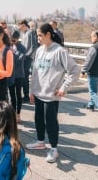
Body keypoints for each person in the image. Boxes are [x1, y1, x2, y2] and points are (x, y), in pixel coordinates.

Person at [26, 23, 80, 163]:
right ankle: (40, 142)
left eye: (39, 35)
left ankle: (54, 149)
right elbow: (35, 73)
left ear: (48, 34)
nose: (37, 38)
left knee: (51, 122)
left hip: (51, 95)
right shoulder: (39, 50)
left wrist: (64, 87)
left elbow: (75, 70)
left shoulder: (59, 51)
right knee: (38, 119)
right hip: (38, 92)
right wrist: (31, 90)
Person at [18, 19, 38, 103]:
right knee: (24, 77)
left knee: (25, 77)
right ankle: (26, 95)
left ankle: (27, 96)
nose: (20, 28)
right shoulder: (24, 33)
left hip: (27, 58)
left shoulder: (30, 32)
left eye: (20, 26)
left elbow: (33, 46)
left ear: (24, 25)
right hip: (24, 57)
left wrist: (26, 56)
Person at [8, 30, 26, 123]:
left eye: (15, 39)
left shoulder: (22, 48)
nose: (13, 40)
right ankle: (12, 113)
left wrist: (15, 51)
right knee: (11, 96)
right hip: (10, 74)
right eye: (12, 39)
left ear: (18, 39)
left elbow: (21, 59)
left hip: (19, 74)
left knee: (18, 95)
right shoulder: (8, 47)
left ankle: (18, 114)